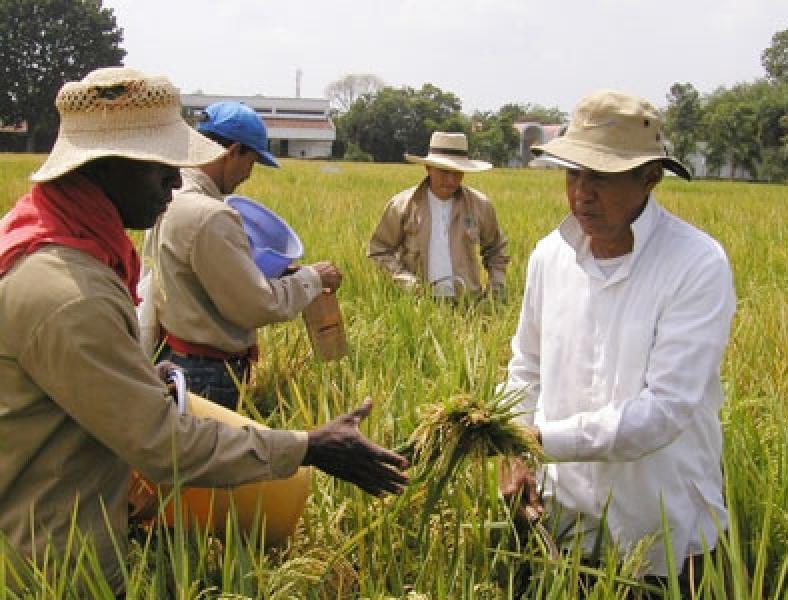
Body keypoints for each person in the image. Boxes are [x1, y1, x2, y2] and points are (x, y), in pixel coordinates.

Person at [0, 67, 407, 594]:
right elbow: (165, 445)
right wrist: (309, 446)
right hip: (53, 568)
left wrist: (137, 376)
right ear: (107, 166)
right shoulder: (70, 295)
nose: (175, 179)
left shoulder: (50, 241)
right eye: (163, 165)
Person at [499, 89, 736, 595]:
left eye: (601, 177)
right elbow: (526, 367)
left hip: (666, 539)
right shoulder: (550, 257)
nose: (582, 193)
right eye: (573, 174)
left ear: (650, 177)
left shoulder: (696, 264)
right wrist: (514, 447)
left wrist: (540, 441)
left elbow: (665, 409)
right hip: (565, 530)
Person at [141, 100, 342, 409]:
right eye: (251, 162)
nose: (248, 174)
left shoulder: (169, 195)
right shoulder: (211, 216)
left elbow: (196, 278)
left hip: (172, 356)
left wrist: (273, 275)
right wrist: (312, 278)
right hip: (207, 373)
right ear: (233, 151)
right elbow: (257, 306)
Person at [367, 131, 509, 299]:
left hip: (468, 304)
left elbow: (496, 249)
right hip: (418, 305)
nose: (450, 180)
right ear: (428, 168)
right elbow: (379, 250)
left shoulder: (480, 205)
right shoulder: (402, 205)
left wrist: (495, 289)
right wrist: (406, 282)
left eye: (457, 172)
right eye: (443, 171)